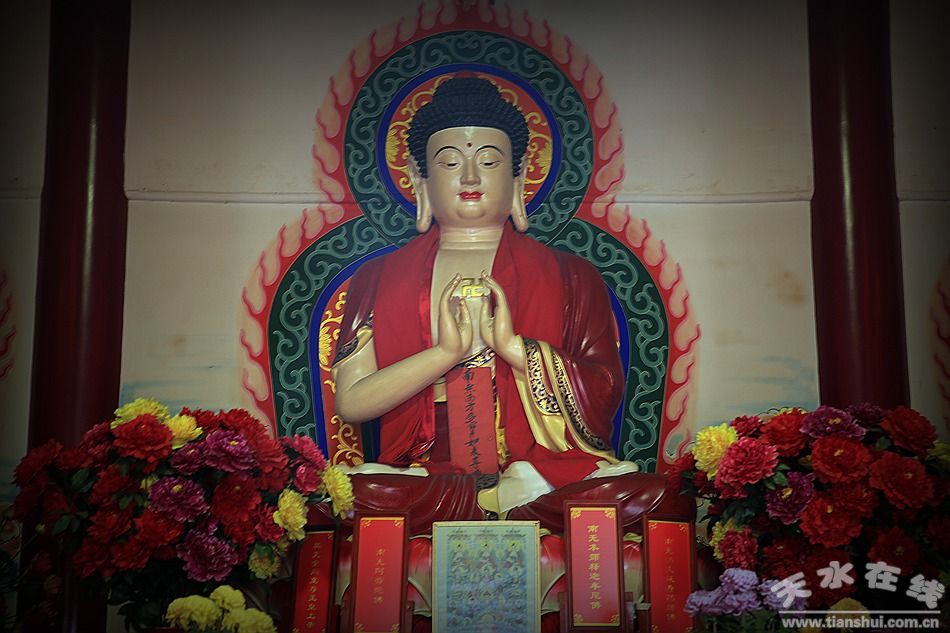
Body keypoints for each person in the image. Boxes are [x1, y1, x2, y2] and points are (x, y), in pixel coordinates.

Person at [329, 77, 685, 532]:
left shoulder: (573, 275)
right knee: (354, 494)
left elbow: (604, 389)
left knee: (647, 494)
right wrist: (445, 354)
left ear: (518, 177)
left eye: (489, 161)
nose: (470, 178)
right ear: (421, 180)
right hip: (425, 472)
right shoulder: (377, 278)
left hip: (540, 469)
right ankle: (495, 499)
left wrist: (515, 349)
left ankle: (511, 491)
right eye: (450, 162)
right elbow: (352, 401)